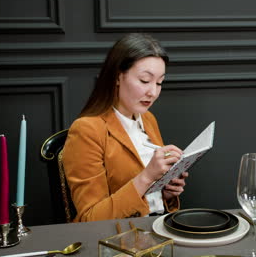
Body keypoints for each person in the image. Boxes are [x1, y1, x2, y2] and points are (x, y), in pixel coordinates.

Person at [62, 33, 188, 222]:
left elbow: (146, 201)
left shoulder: (148, 119)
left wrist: (165, 193)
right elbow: (90, 219)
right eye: (145, 80)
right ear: (118, 77)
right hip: (116, 241)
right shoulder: (87, 130)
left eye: (159, 82)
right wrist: (146, 177)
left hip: (155, 227)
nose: (152, 92)